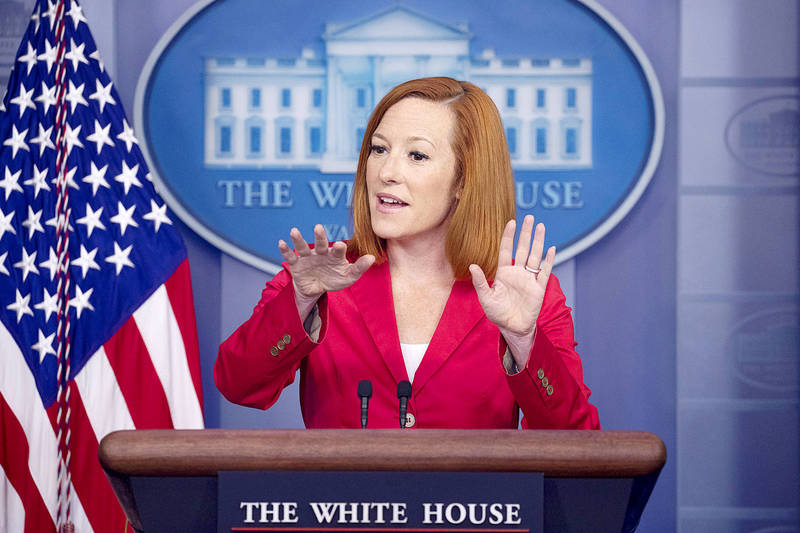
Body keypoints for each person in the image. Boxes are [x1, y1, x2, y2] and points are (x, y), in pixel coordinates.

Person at [215, 77, 600, 430]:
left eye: (417, 156)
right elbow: (237, 385)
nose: (386, 171)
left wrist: (523, 340)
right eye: (379, 149)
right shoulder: (320, 278)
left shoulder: (524, 295)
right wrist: (300, 301)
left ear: (464, 181)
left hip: (476, 506)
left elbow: (577, 440)